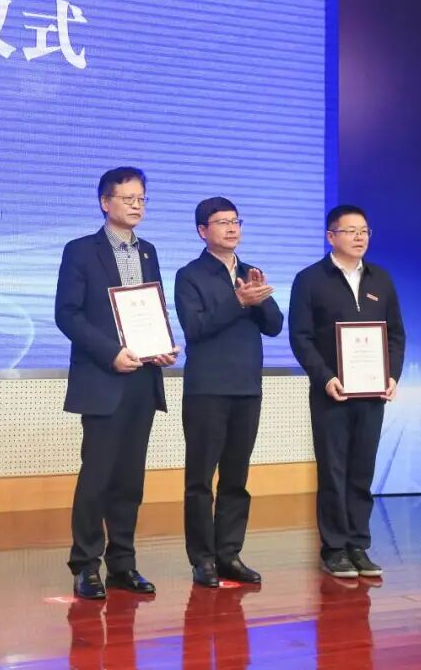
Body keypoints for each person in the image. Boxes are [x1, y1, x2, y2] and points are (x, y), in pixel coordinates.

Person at [55, 166, 178, 600]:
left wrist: (161, 346)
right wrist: (111, 353)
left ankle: (123, 564)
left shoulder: (149, 252)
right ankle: (86, 565)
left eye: (142, 198)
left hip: (143, 379)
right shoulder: (81, 251)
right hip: (104, 378)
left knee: (130, 478)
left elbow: (150, 311)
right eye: (128, 198)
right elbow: (67, 315)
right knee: (98, 475)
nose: (137, 206)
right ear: (105, 202)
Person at [288, 204, 405, 578]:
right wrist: (325, 377)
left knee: (361, 470)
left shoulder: (380, 279)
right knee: (333, 470)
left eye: (365, 231)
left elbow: (396, 334)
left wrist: (392, 375)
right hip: (332, 393)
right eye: (351, 231)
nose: (359, 237)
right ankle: (334, 548)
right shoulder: (310, 280)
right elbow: (300, 338)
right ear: (330, 236)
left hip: (372, 393)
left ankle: (358, 544)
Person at [174, 197, 283, 588]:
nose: (232, 228)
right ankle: (202, 559)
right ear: (203, 231)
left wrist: (259, 298)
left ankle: (229, 555)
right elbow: (196, 328)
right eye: (222, 222)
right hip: (206, 389)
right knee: (201, 480)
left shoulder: (250, 272)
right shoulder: (190, 275)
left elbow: (274, 326)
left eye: (236, 221)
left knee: (236, 478)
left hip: (247, 388)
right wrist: (237, 300)